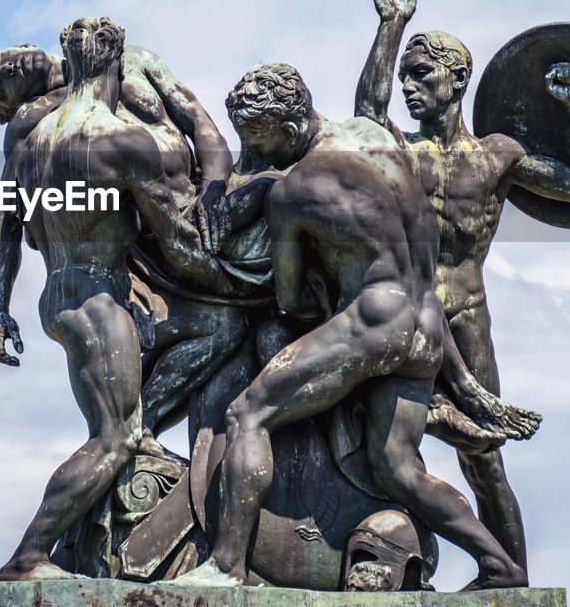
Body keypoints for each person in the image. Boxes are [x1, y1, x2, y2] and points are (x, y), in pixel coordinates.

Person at [175, 63, 526, 590]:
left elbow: (290, 299)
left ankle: (226, 566)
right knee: (397, 468)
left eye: (261, 141)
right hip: (429, 322)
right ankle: (501, 567)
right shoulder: (374, 138)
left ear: (289, 130)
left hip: (374, 318)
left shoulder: (291, 191)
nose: (261, 157)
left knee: (248, 414)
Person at [355, 0, 570, 572]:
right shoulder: (403, 151)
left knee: (484, 457)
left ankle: (512, 580)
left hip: (467, 319)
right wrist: (392, 26)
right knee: (390, 445)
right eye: (405, 79)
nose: (409, 88)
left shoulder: (497, 156)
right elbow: (368, 112)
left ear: (457, 79)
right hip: (406, 319)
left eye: (420, 76)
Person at [0, 16, 233, 581]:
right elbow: (179, 245)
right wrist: (238, 280)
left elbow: (5, 228)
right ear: (117, 60)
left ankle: (139, 434)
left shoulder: (31, 143)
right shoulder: (121, 143)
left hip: (59, 296)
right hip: (100, 297)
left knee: (211, 334)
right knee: (115, 437)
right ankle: (27, 557)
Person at [0, 42, 251, 445]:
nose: (3, 72)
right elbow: (9, 219)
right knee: (229, 328)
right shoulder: (34, 125)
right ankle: (134, 433)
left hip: (208, 209)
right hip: (148, 257)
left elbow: (200, 123)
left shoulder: (129, 59)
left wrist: (215, 188)